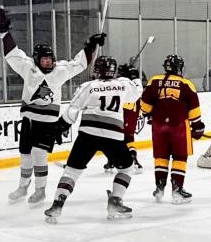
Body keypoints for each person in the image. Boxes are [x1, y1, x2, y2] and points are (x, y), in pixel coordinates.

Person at [0, 7, 106, 207]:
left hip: (48, 123)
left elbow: (79, 64)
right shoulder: (28, 67)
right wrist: (4, 30)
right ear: (37, 59)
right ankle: (23, 186)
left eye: (50, 59)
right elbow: (12, 53)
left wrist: (90, 45)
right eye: (45, 59)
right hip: (28, 121)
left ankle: (40, 190)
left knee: (39, 154)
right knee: (25, 156)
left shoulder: (59, 71)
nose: (49, 62)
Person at [44, 56, 143, 223]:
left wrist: (60, 127)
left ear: (96, 70)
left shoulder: (88, 86)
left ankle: (57, 204)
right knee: (126, 168)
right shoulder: (124, 84)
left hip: (88, 134)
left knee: (71, 171)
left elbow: (72, 111)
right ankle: (115, 201)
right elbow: (137, 93)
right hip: (113, 136)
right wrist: (133, 76)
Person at [140, 55, 205, 204]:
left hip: (158, 126)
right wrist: (197, 127)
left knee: (161, 157)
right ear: (180, 68)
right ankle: (177, 191)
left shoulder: (153, 81)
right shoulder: (186, 83)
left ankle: (159, 187)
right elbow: (194, 109)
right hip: (179, 126)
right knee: (179, 157)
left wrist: (150, 113)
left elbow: (144, 107)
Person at [103, 64, 144, 175]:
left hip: (122, 114)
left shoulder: (120, 82)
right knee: (128, 137)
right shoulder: (135, 83)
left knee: (115, 138)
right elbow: (140, 91)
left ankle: (116, 160)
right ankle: (131, 160)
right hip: (132, 116)